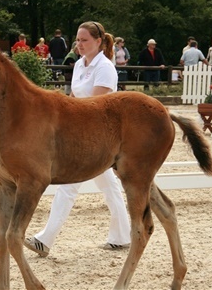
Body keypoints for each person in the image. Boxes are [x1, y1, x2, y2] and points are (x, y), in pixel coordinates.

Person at [24, 21, 131, 257]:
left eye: (84, 40)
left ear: (98, 42)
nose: (79, 45)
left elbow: (95, 107)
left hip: (96, 136)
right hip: (78, 133)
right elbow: (73, 97)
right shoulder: (81, 64)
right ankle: (122, 236)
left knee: (68, 185)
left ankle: (45, 239)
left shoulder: (105, 68)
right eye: (78, 40)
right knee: (110, 187)